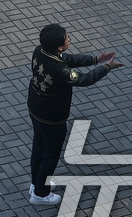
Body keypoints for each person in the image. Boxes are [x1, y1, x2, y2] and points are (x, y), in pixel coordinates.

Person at [27, 23, 123, 205]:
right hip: (52, 116)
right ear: (59, 46)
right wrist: (107, 67)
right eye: (67, 38)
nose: (69, 39)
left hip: (36, 107)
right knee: (50, 154)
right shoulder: (58, 70)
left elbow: (67, 59)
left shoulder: (40, 51)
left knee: (39, 147)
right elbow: (84, 79)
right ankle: (40, 193)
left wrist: (95, 59)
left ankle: (36, 183)